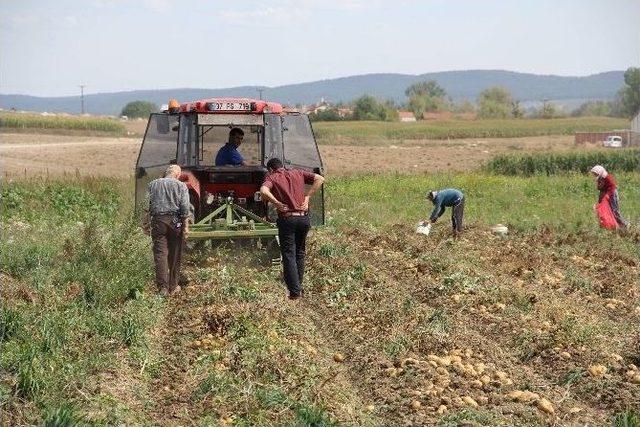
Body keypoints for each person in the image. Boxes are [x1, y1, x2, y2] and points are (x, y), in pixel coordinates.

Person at [260, 158, 325, 300]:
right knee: (300, 253)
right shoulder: (297, 173)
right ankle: (298, 286)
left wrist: (276, 202)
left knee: (289, 254)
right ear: (282, 166)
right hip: (303, 219)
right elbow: (320, 178)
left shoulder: (272, 177)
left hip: (288, 219)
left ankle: (294, 292)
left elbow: (263, 191)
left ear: (270, 169)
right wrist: (308, 197)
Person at [145, 164, 190, 296]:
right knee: (175, 253)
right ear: (177, 175)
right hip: (175, 223)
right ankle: (174, 286)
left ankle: (163, 289)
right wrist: (185, 227)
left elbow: (146, 206)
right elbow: (185, 208)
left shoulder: (152, 184)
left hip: (158, 222)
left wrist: (145, 223)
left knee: (160, 254)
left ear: (166, 173)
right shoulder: (181, 186)